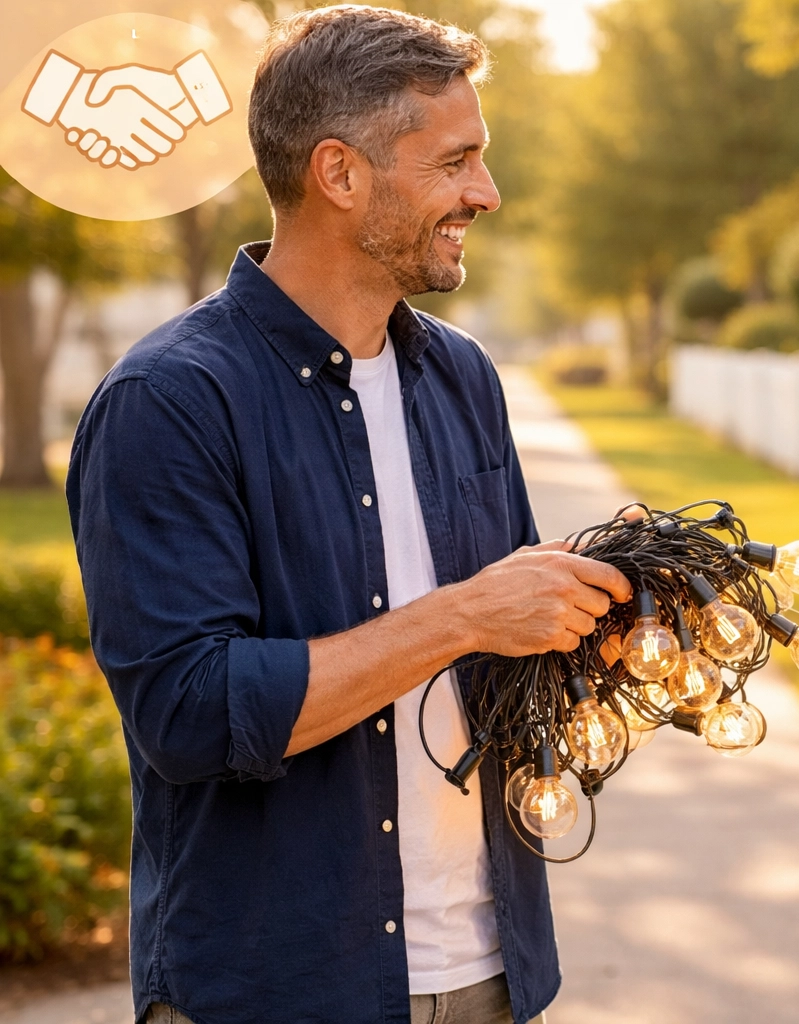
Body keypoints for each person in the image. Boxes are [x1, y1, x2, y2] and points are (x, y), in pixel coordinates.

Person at [65, 8, 632, 1024]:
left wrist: (601, 625)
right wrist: (461, 615)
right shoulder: (169, 402)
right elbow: (191, 712)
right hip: (276, 987)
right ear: (341, 174)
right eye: (456, 161)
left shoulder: (460, 376)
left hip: (491, 972)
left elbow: (508, 649)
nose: (485, 194)